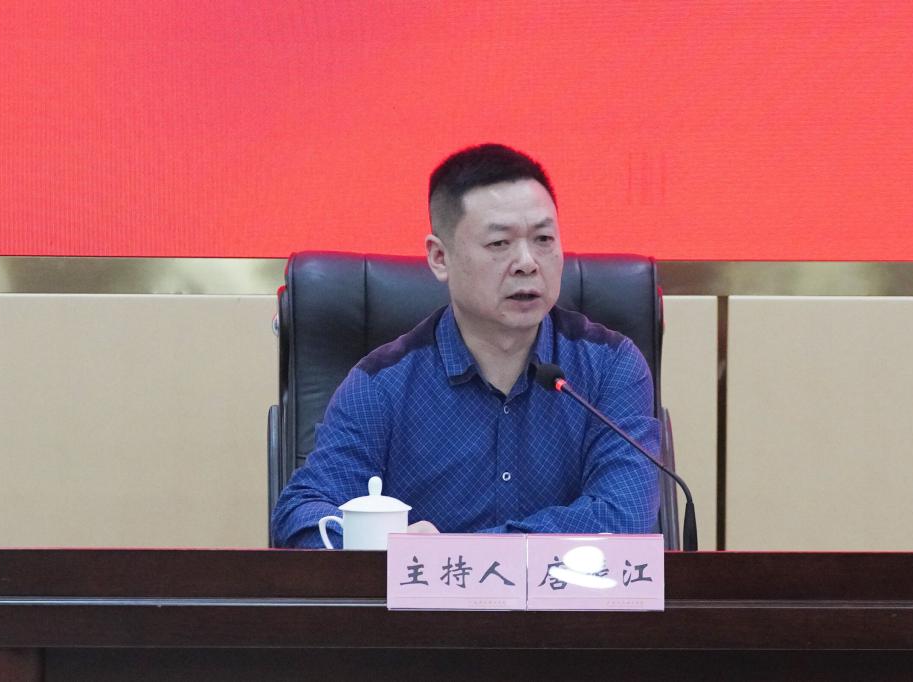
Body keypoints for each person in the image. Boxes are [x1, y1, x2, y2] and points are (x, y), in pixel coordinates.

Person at [271, 144, 659, 548]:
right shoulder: (381, 386)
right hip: (423, 594)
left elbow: (625, 515)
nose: (527, 262)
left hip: (568, 593)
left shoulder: (609, 367)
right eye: (499, 243)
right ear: (440, 258)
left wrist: (453, 554)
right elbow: (302, 516)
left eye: (543, 239)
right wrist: (375, 543)